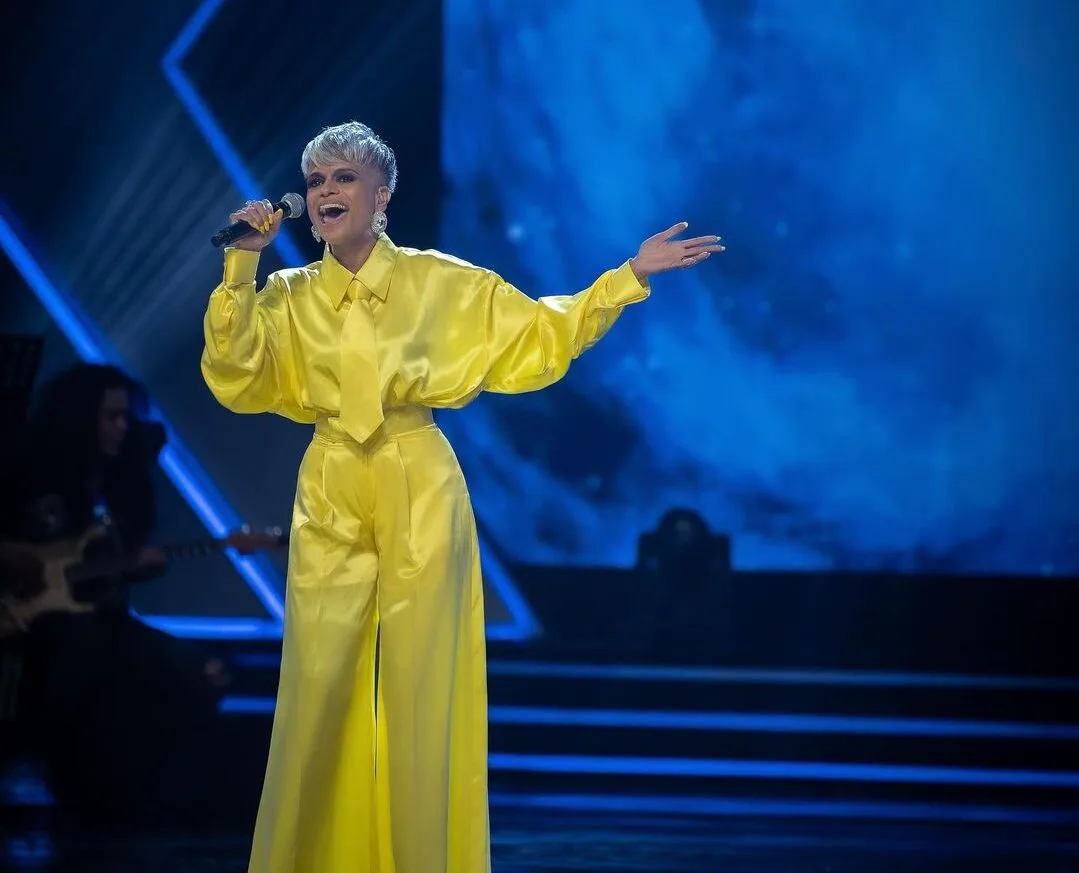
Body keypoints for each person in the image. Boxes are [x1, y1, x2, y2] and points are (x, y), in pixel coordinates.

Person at [200, 120, 724, 873]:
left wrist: (625, 277)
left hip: (417, 471)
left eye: (344, 178)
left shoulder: (439, 281)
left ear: (382, 194)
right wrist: (241, 266)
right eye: (315, 181)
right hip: (330, 479)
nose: (325, 193)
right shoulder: (285, 294)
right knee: (317, 679)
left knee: (423, 682)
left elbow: (538, 333)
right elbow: (234, 370)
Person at [0, 363, 225, 829]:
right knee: (78, 654)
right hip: (38, 622)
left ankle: (135, 804)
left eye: (126, 417)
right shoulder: (28, 469)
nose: (123, 427)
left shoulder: (124, 482)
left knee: (199, 673)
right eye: (111, 416)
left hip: (105, 619)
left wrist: (135, 567)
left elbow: (111, 569)